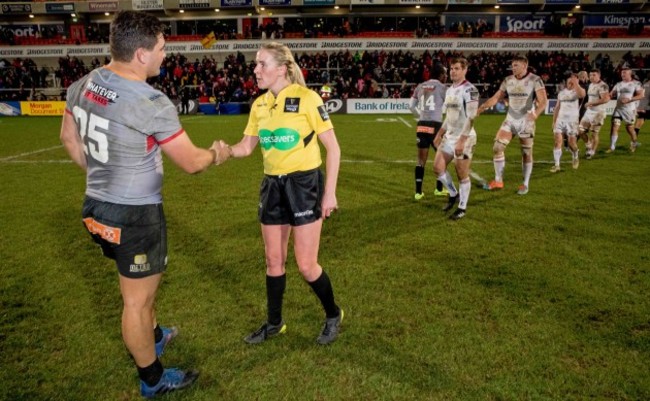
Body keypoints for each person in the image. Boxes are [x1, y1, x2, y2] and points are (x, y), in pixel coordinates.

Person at [59, 10, 221, 398]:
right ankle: (153, 379)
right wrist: (219, 152)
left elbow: (69, 138)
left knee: (139, 293)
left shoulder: (82, 84)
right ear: (141, 55)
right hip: (134, 215)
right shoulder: (150, 101)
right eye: (162, 48)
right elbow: (191, 161)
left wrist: (102, 172)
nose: (166, 54)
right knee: (136, 300)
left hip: (95, 207)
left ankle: (153, 334)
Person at [214, 42, 343, 345]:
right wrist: (225, 152)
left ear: (281, 68)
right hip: (272, 185)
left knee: (307, 265)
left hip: (304, 184)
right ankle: (274, 323)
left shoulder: (308, 98)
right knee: (273, 261)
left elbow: (333, 148)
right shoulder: (259, 105)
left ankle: (333, 313)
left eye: (261, 64)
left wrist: (330, 193)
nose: (255, 70)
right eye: (255, 65)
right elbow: (246, 147)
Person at [477, 55, 547, 195]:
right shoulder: (508, 80)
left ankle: (525, 184)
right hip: (510, 119)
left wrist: (535, 114)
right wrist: (482, 107)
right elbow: (497, 97)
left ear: (524, 66)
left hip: (526, 121)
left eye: (516, 65)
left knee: (526, 153)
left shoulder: (535, 79)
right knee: (497, 147)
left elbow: (543, 101)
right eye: (512, 65)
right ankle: (498, 181)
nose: (513, 68)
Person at [432, 57, 479, 220]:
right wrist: (440, 133)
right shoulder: (450, 90)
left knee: (462, 174)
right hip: (450, 135)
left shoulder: (470, 90)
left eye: (457, 68)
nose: (453, 71)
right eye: (451, 69)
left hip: (465, 138)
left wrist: (462, 139)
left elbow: (472, 117)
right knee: (438, 168)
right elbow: (449, 116)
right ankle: (453, 194)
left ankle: (462, 207)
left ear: (465, 70)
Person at [408, 64, 448, 200]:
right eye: (444, 74)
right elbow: (450, 106)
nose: (446, 76)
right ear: (441, 75)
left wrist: (421, 116)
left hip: (422, 125)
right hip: (436, 125)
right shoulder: (443, 88)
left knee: (420, 161)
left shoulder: (420, 86)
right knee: (441, 158)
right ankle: (438, 189)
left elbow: (411, 106)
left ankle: (418, 192)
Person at [550, 73, 586, 173]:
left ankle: (575, 155)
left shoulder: (578, 91)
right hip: (560, 120)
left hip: (572, 121)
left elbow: (582, 94)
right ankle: (557, 165)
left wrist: (576, 83)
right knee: (557, 142)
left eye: (572, 81)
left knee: (571, 144)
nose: (570, 83)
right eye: (569, 81)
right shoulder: (561, 93)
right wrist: (554, 121)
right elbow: (557, 108)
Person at [607, 67, 645, 153]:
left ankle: (634, 143)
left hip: (629, 109)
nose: (622, 74)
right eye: (622, 73)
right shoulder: (618, 84)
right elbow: (611, 93)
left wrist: (629, 99)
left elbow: (641, 95)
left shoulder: (636, 83)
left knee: (630, 129)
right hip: (618, 108)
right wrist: (608, 96)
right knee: (614, 126)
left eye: (625, 73)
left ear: (630, 74)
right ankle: (612, 147)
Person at [579, 69, 610, 159]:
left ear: (599, 75)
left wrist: (591, 103)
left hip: (598, 112)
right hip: (589, 112)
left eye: (594, 75)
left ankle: (592, 151)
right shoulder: (591, 84)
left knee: (594, 133)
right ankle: (589, 145)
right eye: (590, 75)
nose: (592, 77)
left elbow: (605, 99)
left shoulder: (603, 85)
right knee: (580, 131)